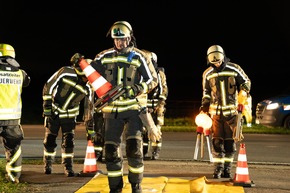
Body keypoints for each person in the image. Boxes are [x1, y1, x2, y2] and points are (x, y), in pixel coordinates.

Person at [71, 20, 160, 193]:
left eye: (123, 39)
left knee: (134, 150)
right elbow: (89, 75)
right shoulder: (104, 56)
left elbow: (153, 80)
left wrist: (138, 88)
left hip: (133, 111)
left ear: (130, 38)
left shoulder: (139, 56)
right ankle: (115, 188)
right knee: (111, 151)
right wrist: (79, 64)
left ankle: (136, 186)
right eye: (117, 40)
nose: (120, 43)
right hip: (111, 112)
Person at [199, 45, 251, 179]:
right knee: (217, 142)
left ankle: (227, 169)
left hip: (232, 114)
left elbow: (246, 81)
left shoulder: (234, 68)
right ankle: (217, 169)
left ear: (223, 56)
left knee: (230, 142)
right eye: (213, 61)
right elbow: (206, 92)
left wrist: (244, 91)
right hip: (215, 115)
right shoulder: (207, 73)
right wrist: (204, 106)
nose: (217, 63)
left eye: (218, 60)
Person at [42, 58, 93, 177]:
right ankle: (48, 165)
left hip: (70, 116)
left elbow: (88, 108)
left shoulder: (89, 87)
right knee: (49, 140)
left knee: (69, 143)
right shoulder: (66, 72)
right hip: (54, 112)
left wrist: (90, 127)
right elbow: (49, 85)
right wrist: (47, 106)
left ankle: (68, 167)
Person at [0, 43, 31, 183]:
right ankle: (14, 177)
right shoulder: (21, 73)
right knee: (14, 148)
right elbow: (27, 82)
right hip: (13, 119)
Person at [141, 49, 168, 160]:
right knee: (143, 130)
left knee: (156, 129)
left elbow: (164, 89)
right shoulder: (141, 73)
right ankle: (143, 152)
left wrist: (161, 102)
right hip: (143, 106)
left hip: (157, 106)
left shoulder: (159, 73)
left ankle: (155, 152)